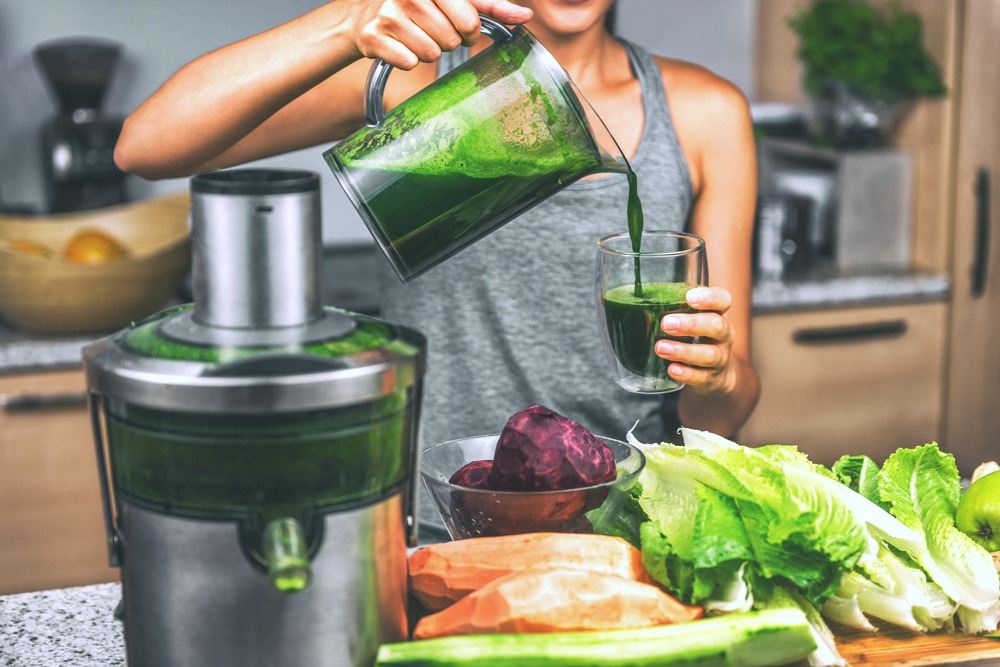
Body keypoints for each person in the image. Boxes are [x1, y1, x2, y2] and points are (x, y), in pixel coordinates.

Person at [114, 0, 761, 541]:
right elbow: (147, 144)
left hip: (628, 529)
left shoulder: (704, 115)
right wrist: (349, 22)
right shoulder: (414, 81)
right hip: (435, 528)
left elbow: (722, 418)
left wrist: (719, 372)